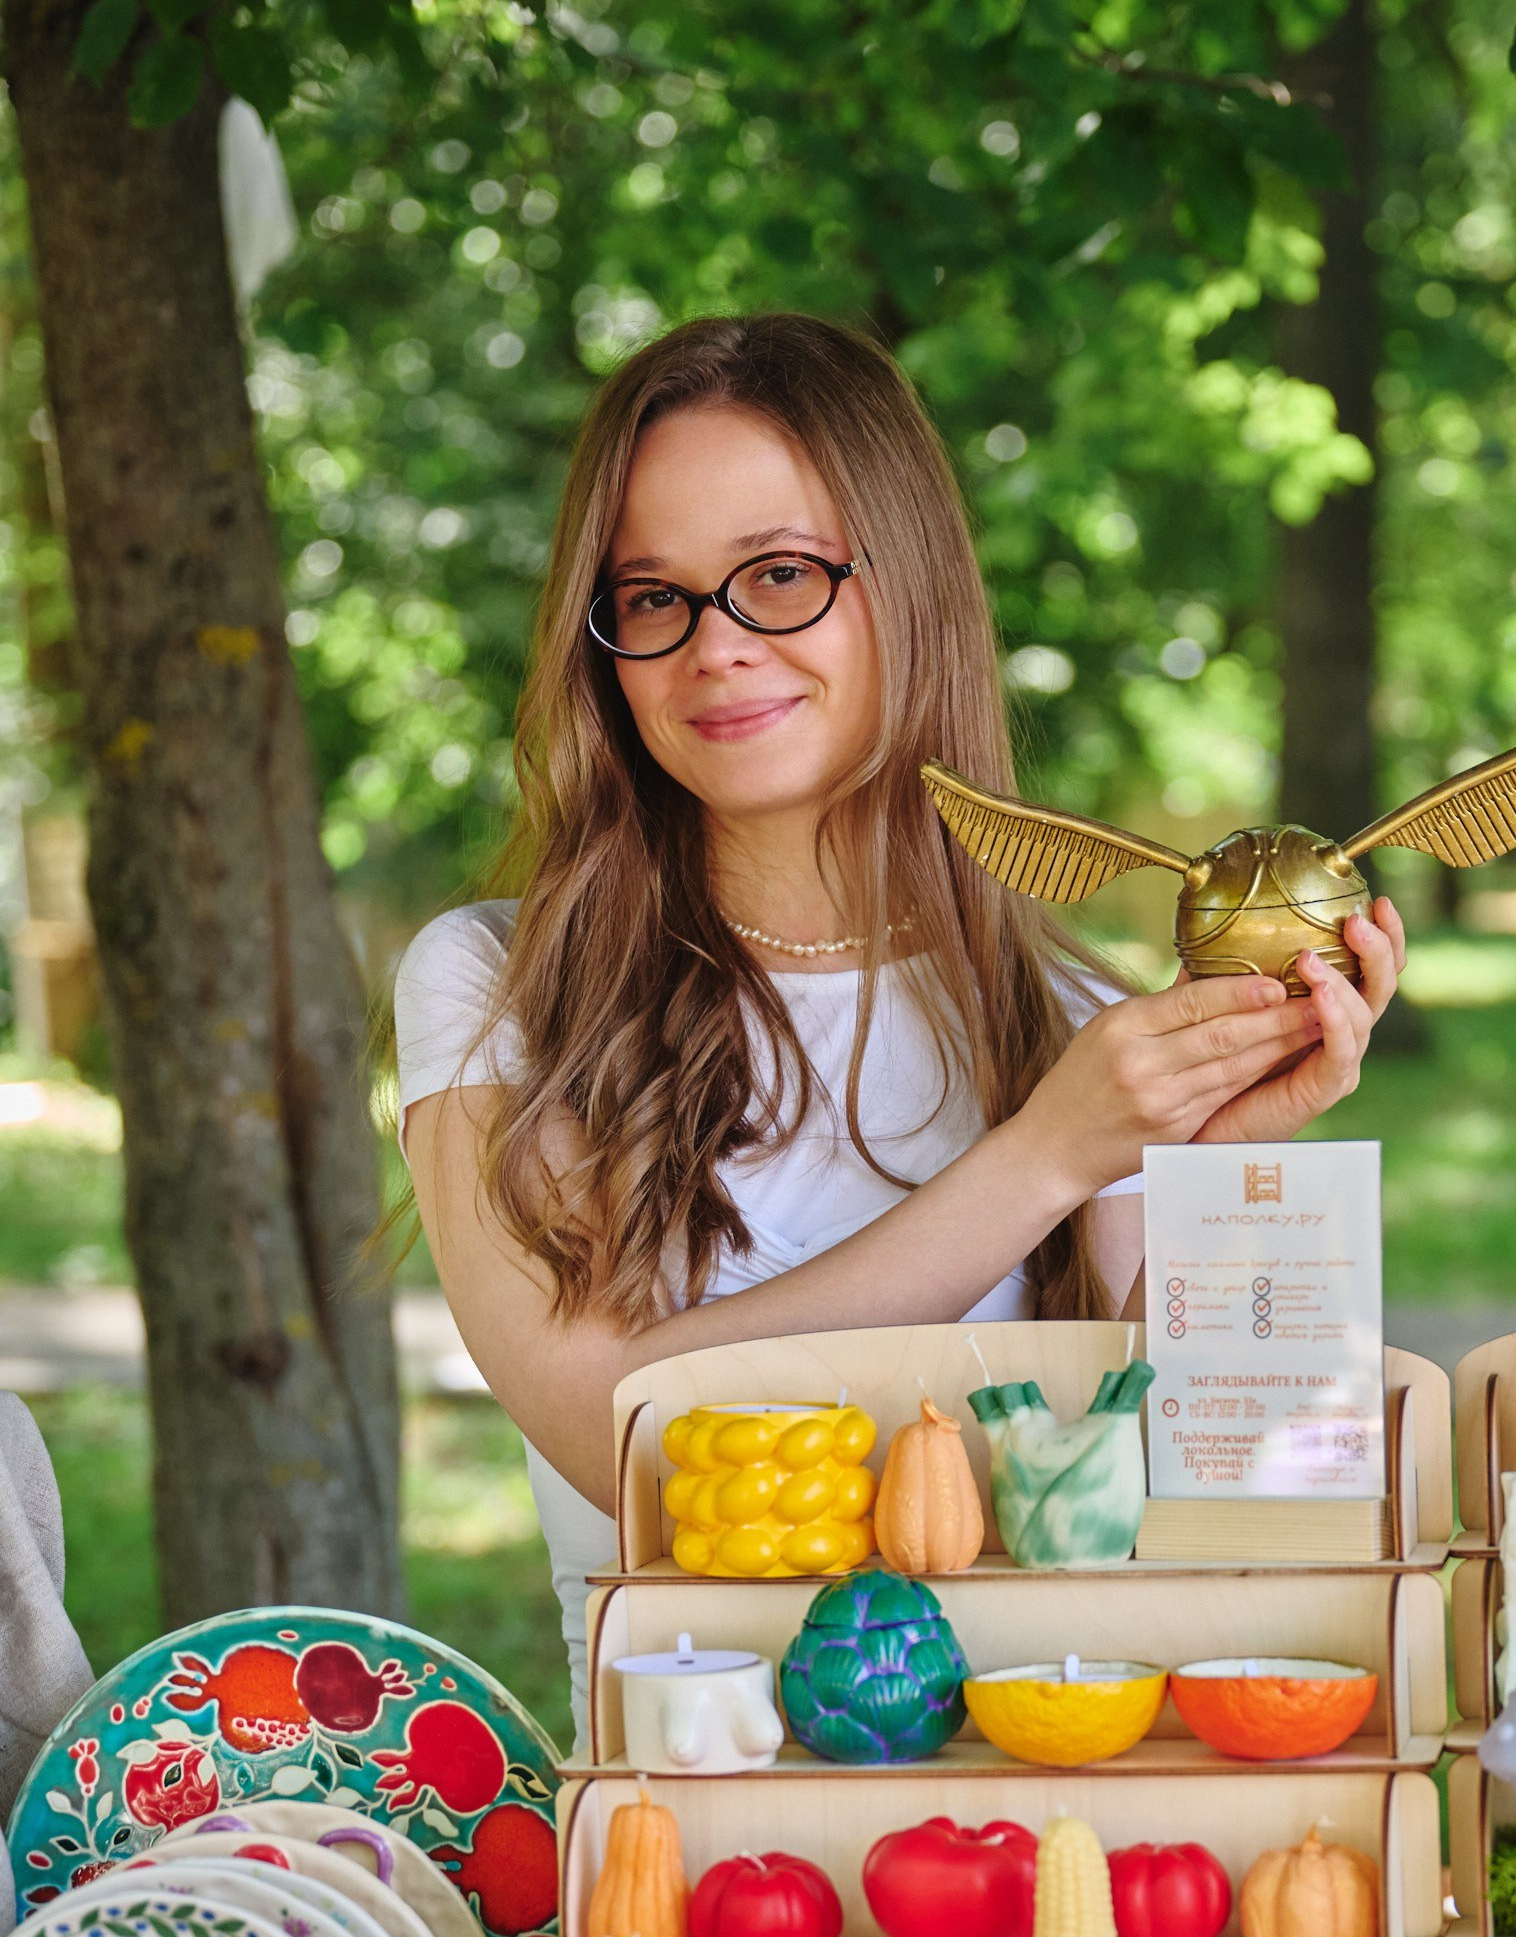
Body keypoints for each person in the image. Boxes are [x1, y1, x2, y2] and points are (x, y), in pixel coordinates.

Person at [397, 314, 1404, 1736]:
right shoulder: (502, 990)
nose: (717, 648)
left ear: (913, 587)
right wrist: (1045, 1158)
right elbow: (621, 1440)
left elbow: (1228, 1505)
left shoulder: (1072, 1020)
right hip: (688, 1849)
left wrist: (1231, 1175)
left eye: (782, 577)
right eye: (653, 597)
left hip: (1034, 1814)